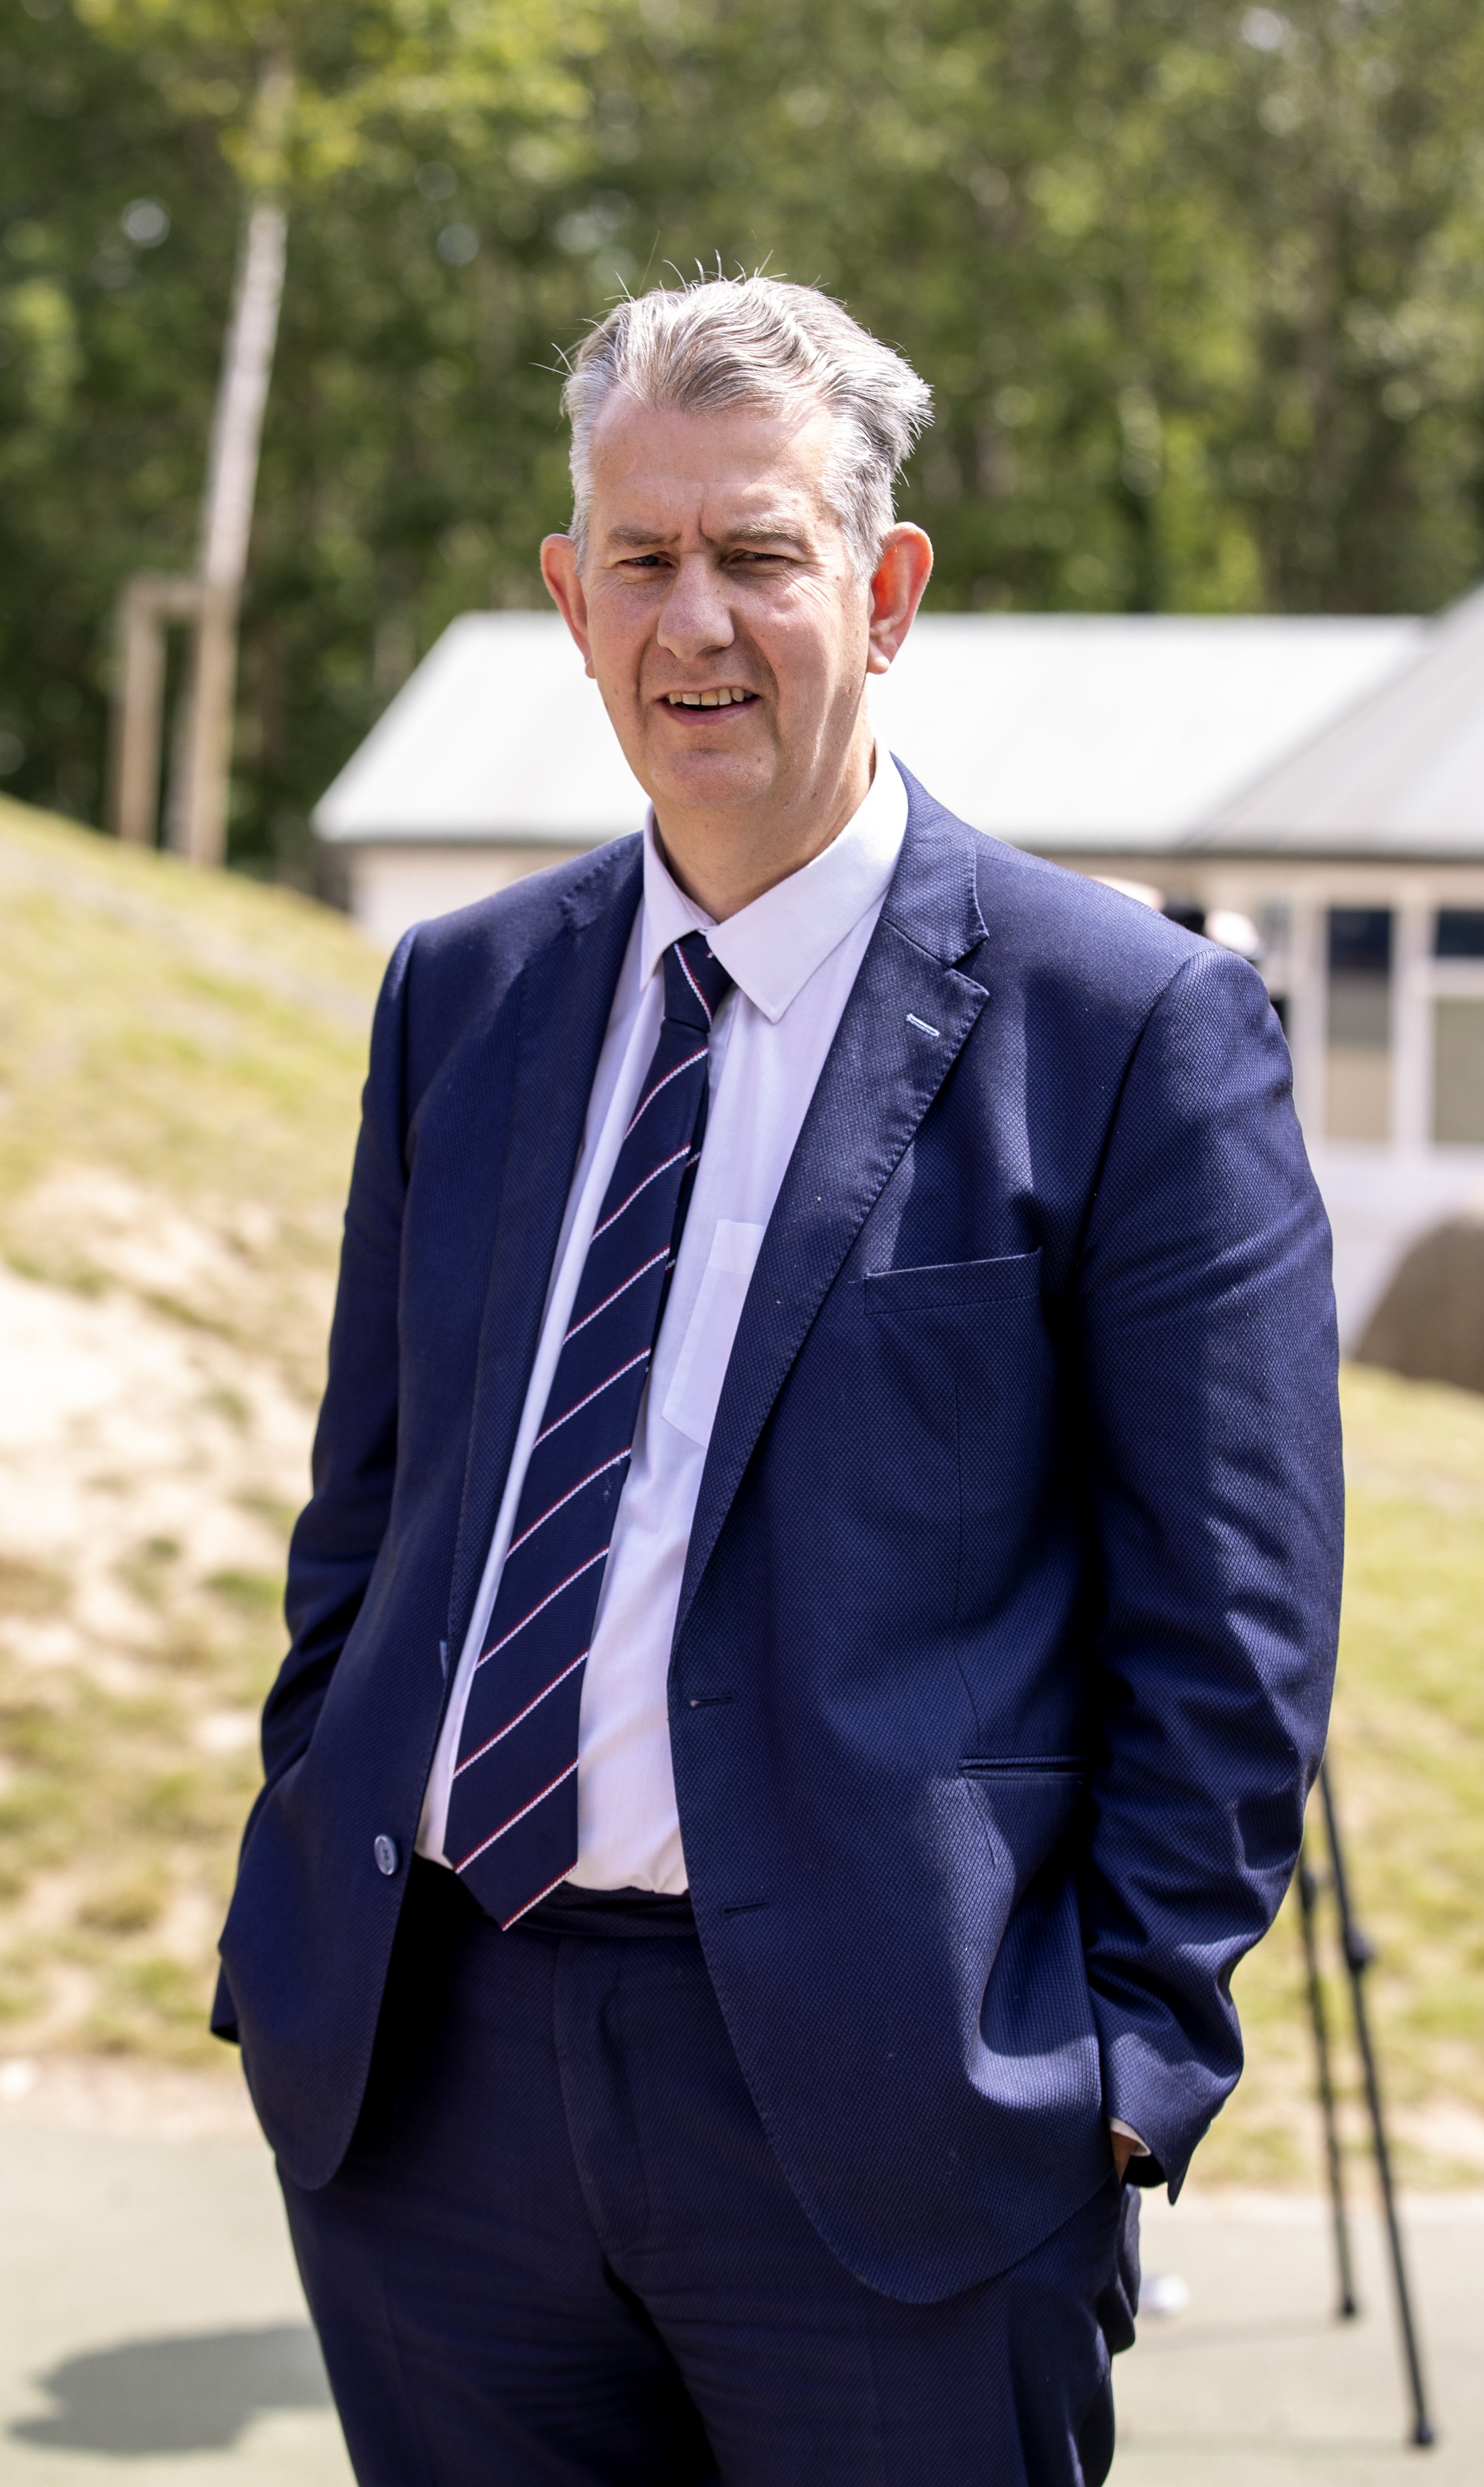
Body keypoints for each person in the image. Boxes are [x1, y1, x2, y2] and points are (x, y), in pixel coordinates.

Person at [214, 274, 1342, 2486]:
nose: (693, 622)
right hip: (435, 2093)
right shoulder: (463, 996)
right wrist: (298, 1879)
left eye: (757, 553)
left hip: (893, 2126)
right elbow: (372, 1509)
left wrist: (1114, 2063)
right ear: (568, 593)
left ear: (885, 585)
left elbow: (1235, 1627)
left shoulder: (1121, 1029)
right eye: (640, 560)